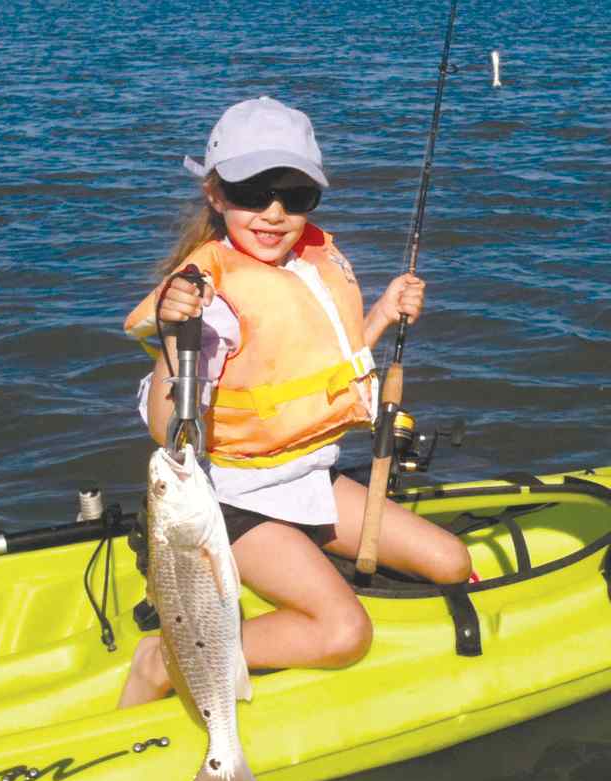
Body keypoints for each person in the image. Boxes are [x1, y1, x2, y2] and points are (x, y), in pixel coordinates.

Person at [119, 96, 471, 708]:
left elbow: (318, 369)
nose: (274, 213)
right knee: (344, 632)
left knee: (450, 560)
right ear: (215, 194)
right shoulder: (209, 297)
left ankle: (302, 571)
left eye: (296, 194)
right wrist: (176, 335)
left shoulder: (310, 261)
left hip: (310, 478)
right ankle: (164, 660)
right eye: (251, 192)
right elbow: (163, 426)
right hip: (236, 503)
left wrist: (382, 314)